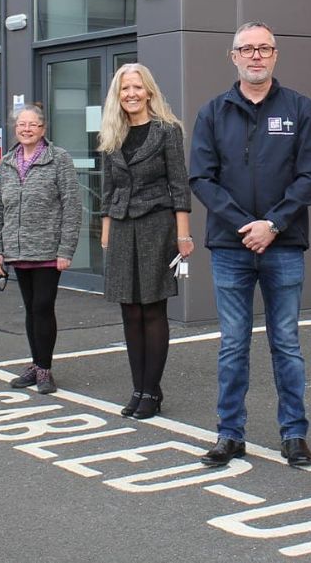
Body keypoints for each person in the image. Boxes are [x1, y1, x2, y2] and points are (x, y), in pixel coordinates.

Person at [189, 21, 311, 469]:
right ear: (233, 57)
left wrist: (274, 224)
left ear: (275, 55)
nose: (255, 56)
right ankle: (230, 434)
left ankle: (294, 434)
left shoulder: (301, 109)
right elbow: (201, 179)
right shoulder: (212, 112)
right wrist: (246, 225)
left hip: (284, 245)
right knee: (233, 344)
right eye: (246, 49)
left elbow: (310, 176)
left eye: (264, 48)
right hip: (230, 248)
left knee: (285, 341)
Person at [99, 63, 193, 421]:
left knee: (152, 309)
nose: (131, 94)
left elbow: (179, 185)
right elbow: (109, 189)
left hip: (157, 225)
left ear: (149, 91)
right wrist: (106, 229)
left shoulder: (167, 131)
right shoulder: (112, 133)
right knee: (129, 309)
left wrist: (183, 234)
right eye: (125, 89)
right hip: (122, 227)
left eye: (137, 87)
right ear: (118, 95)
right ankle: (138, 387)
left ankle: (152, 390)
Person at [0, 104, 82, 395]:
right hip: (16, 250)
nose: (26, 129)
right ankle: (36, 362)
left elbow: (72, 207)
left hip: (48, 250)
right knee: (30, 309)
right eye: (21, 125)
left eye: (32, 125)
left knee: (43, 307)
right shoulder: (6, 162)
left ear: (43, 129)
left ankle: (44, 369)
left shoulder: (59, 159)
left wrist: (66, 250)